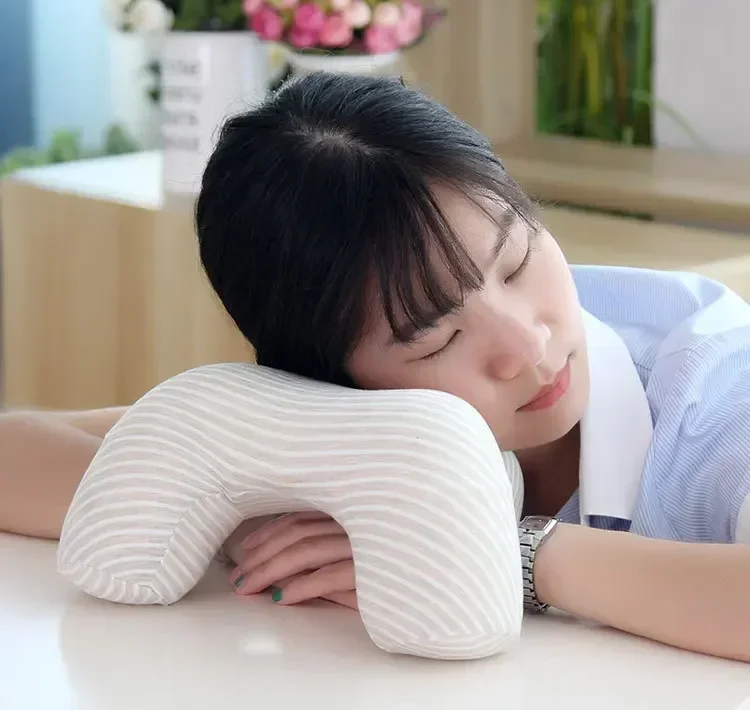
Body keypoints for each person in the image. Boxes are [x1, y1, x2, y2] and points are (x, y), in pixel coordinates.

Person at [2, 73, 750, 661]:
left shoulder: (714, 388)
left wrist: (505, 557)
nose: (525, 344)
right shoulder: (343, 408)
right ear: (333, 377)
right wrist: (253, 514)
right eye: (434, 338)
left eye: (518, 260)